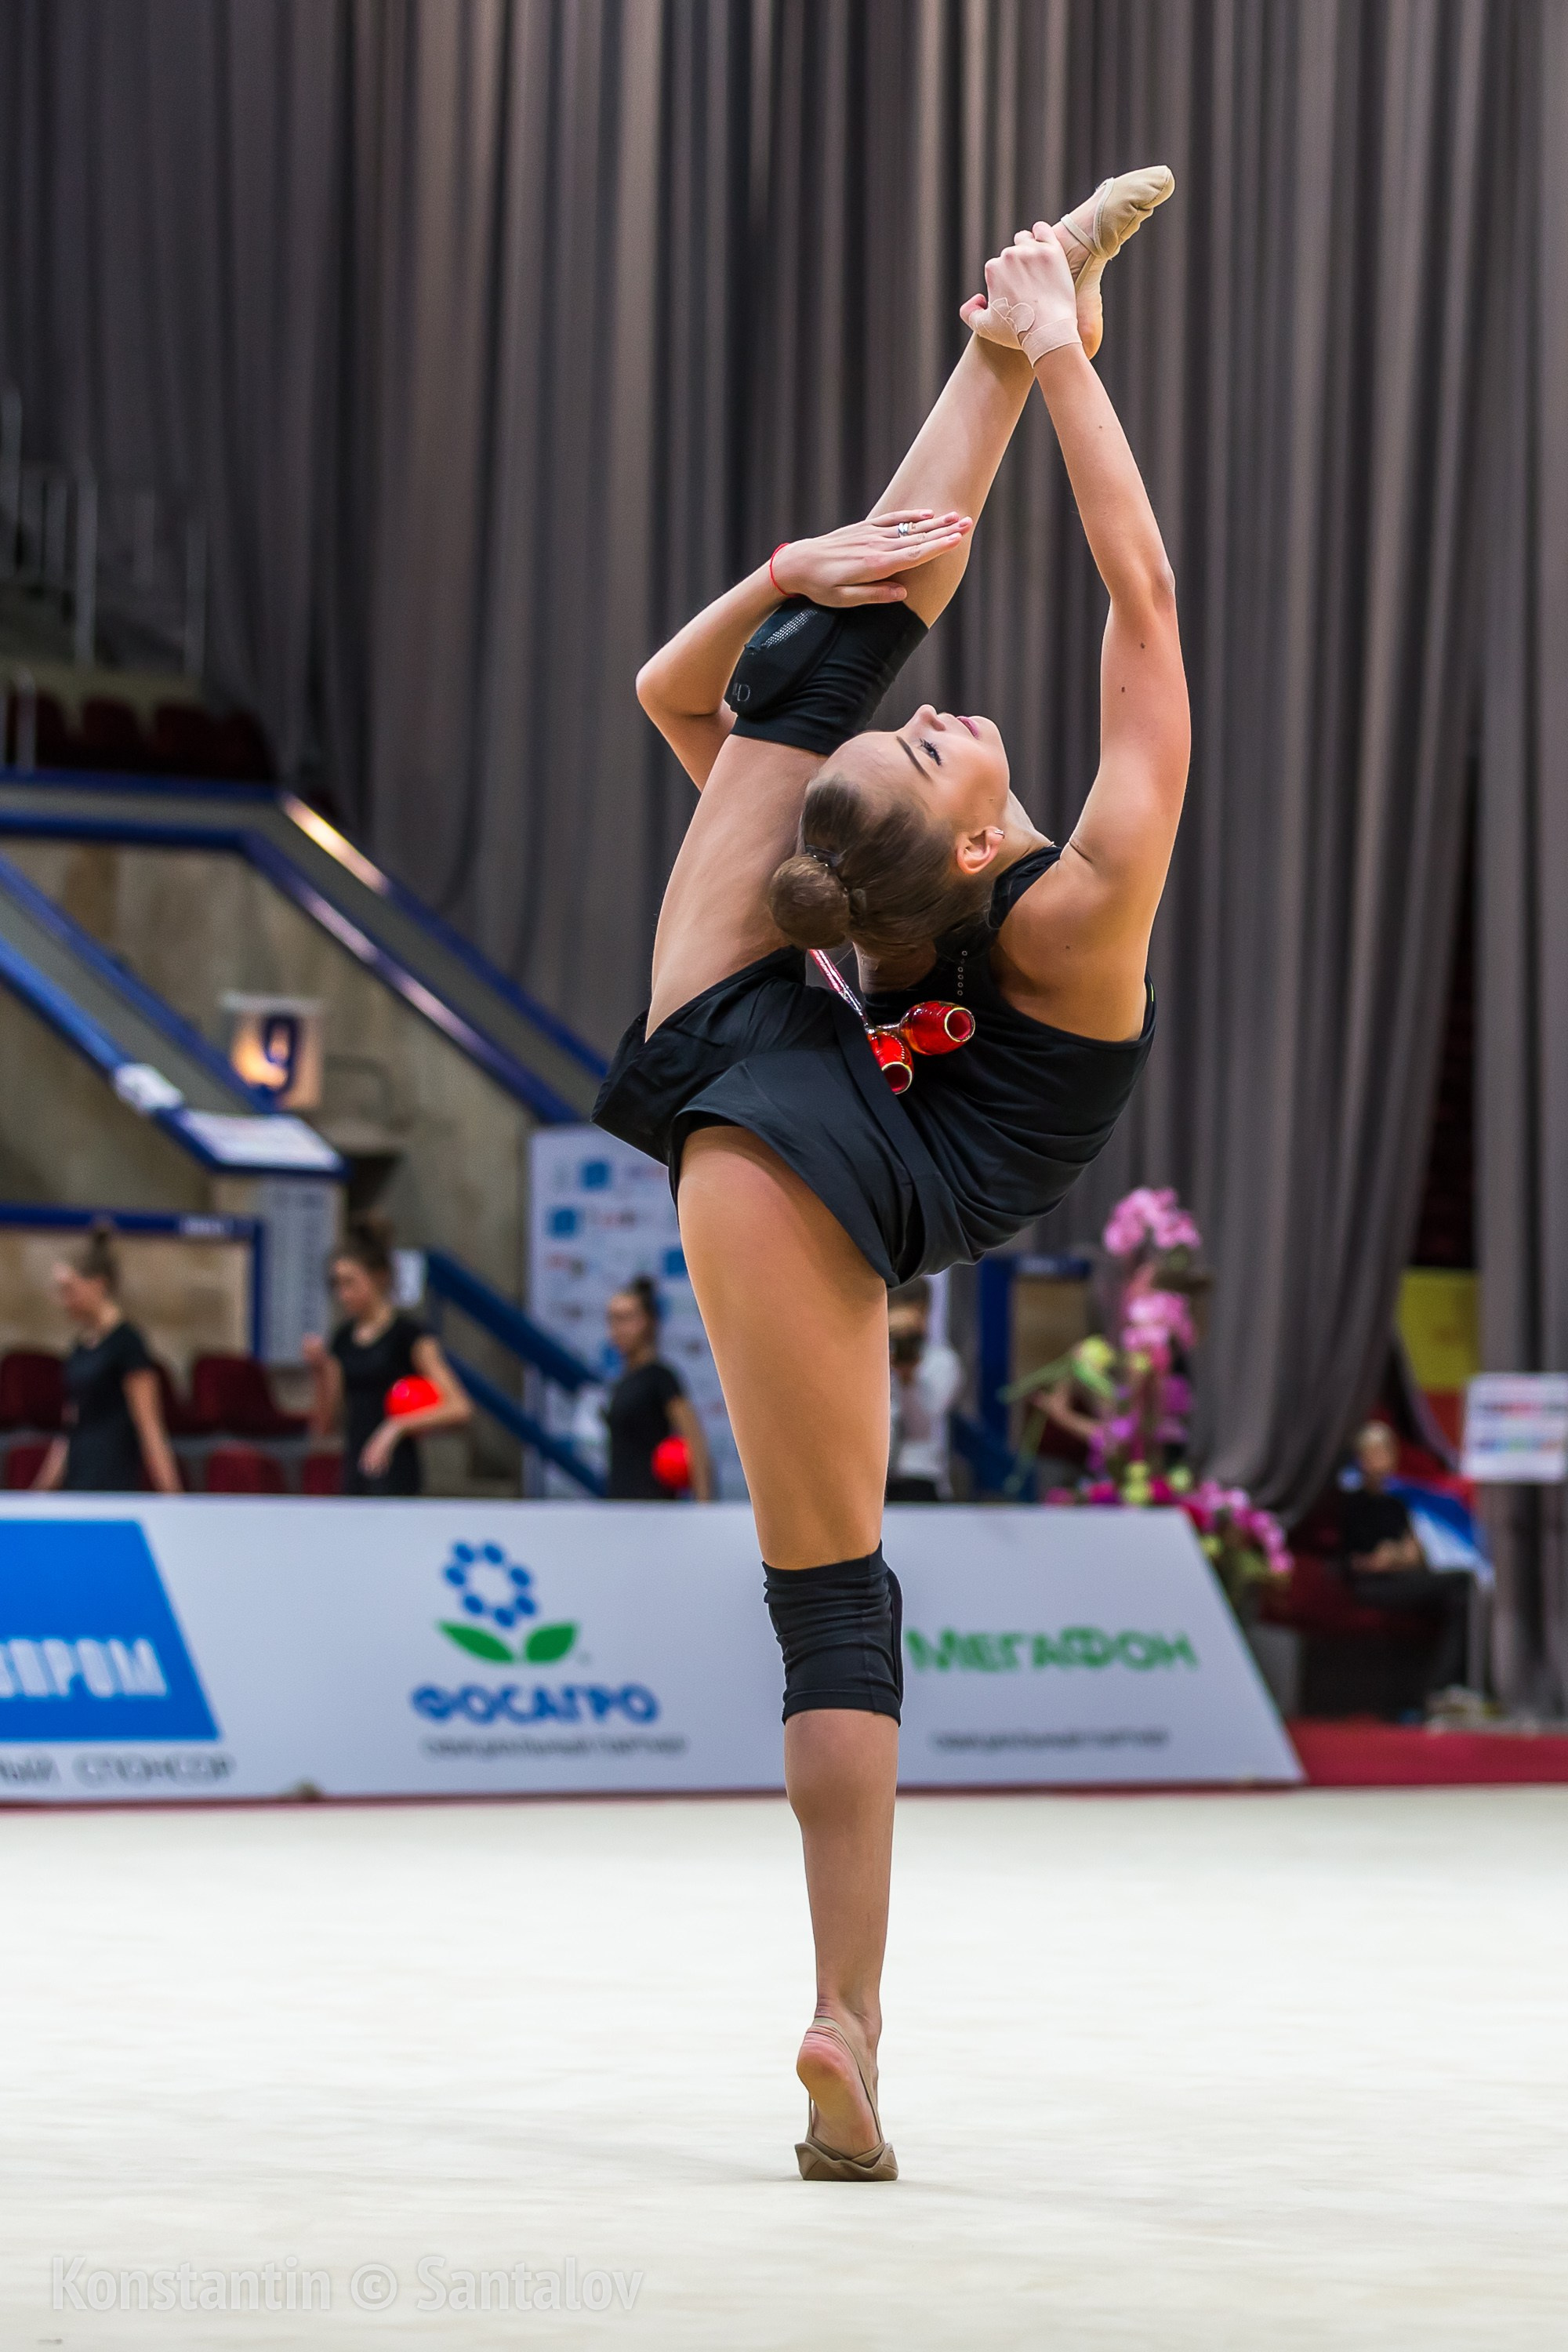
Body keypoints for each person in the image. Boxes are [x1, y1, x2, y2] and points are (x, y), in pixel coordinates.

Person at [597, 173, 1185, 2180]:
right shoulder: (1048, 895)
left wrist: (799, 557)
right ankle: (841, 2015)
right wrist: (1056, 369)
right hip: (823, 1117)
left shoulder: (967, 895)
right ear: (942, 853)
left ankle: (851, 2014)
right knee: (832, 1598)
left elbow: (694, 705)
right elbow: (1131, 609)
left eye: (924, 736)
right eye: (930, 744)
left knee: (830, 1594)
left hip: (788, 1089)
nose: (943, 716)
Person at [301, 1216, 471, 1495]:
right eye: (337, 1285)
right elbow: (325, 1426)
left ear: (379, 1277)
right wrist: (320, 1371)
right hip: (354, 1469)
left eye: (351, 1283)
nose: (343, 1294)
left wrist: (396, 1426)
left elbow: (459, 1408)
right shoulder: (342, 1340)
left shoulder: (409, 1336)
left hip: (396, 1469)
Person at [32, 1220, 181, 1494]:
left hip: (112, 1482)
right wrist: (40, 1492)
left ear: (97, 1285)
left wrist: (173, 1496)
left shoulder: (128, 1344)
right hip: (77, 1480)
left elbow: (149, 1427)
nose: (64, 1300)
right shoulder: (79, 1347)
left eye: (70, 1289)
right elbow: (70, 1427)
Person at [1340, 1420, 1473, 1700]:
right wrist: (1384, 1559)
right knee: (1461, 1585)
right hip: (1369, 1584)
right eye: (1376, 1452)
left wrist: (1402, 1556)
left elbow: (1415, 1554)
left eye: (1388, 1451)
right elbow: (1353, 1561)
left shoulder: (1397, 1504)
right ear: (1362, 1458)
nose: (1384, 1459)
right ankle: (1441, 1687)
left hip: (1400, 1578)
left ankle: (1447, 1686)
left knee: (1463, 1589)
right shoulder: (1350, 1504)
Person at [603, 1275, 715, 1501]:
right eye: (613, 1319)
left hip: (654, 1509)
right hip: (619, 1507)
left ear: (649, 1321)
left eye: (626, 1318)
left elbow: (695, 1444)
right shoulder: (621, 1381)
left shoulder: (661, 1379)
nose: (618, 1328)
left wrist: (705, 1508)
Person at [885, 1279, 961, 1502]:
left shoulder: (941, 1362)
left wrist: (908, 1378)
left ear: (923, 1311)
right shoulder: (870, 1357)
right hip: (872, 1473)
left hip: (917, 1476)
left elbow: (920, 1428)